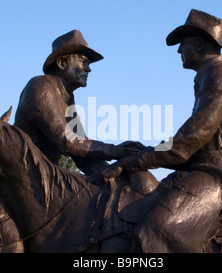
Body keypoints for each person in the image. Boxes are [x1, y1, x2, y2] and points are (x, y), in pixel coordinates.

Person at [101, 9, 222, 252]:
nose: (179, 50)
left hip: (216, 172)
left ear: (200, 43)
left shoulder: (220, 78)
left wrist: (130, 162)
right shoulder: (210, 76)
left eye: (183, 44)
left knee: (156, 230)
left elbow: (185, 145)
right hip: (203, 166)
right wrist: (144, 152)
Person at [14, 30, 146, 177]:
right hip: (24, 176)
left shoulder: (67, 97)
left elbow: (81, 150)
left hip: (43, 176)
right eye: (83, 61)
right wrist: (117, 151)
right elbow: (69, 142)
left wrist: (111, 173)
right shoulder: (40, 87)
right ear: (62, 63)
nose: (89, 69)